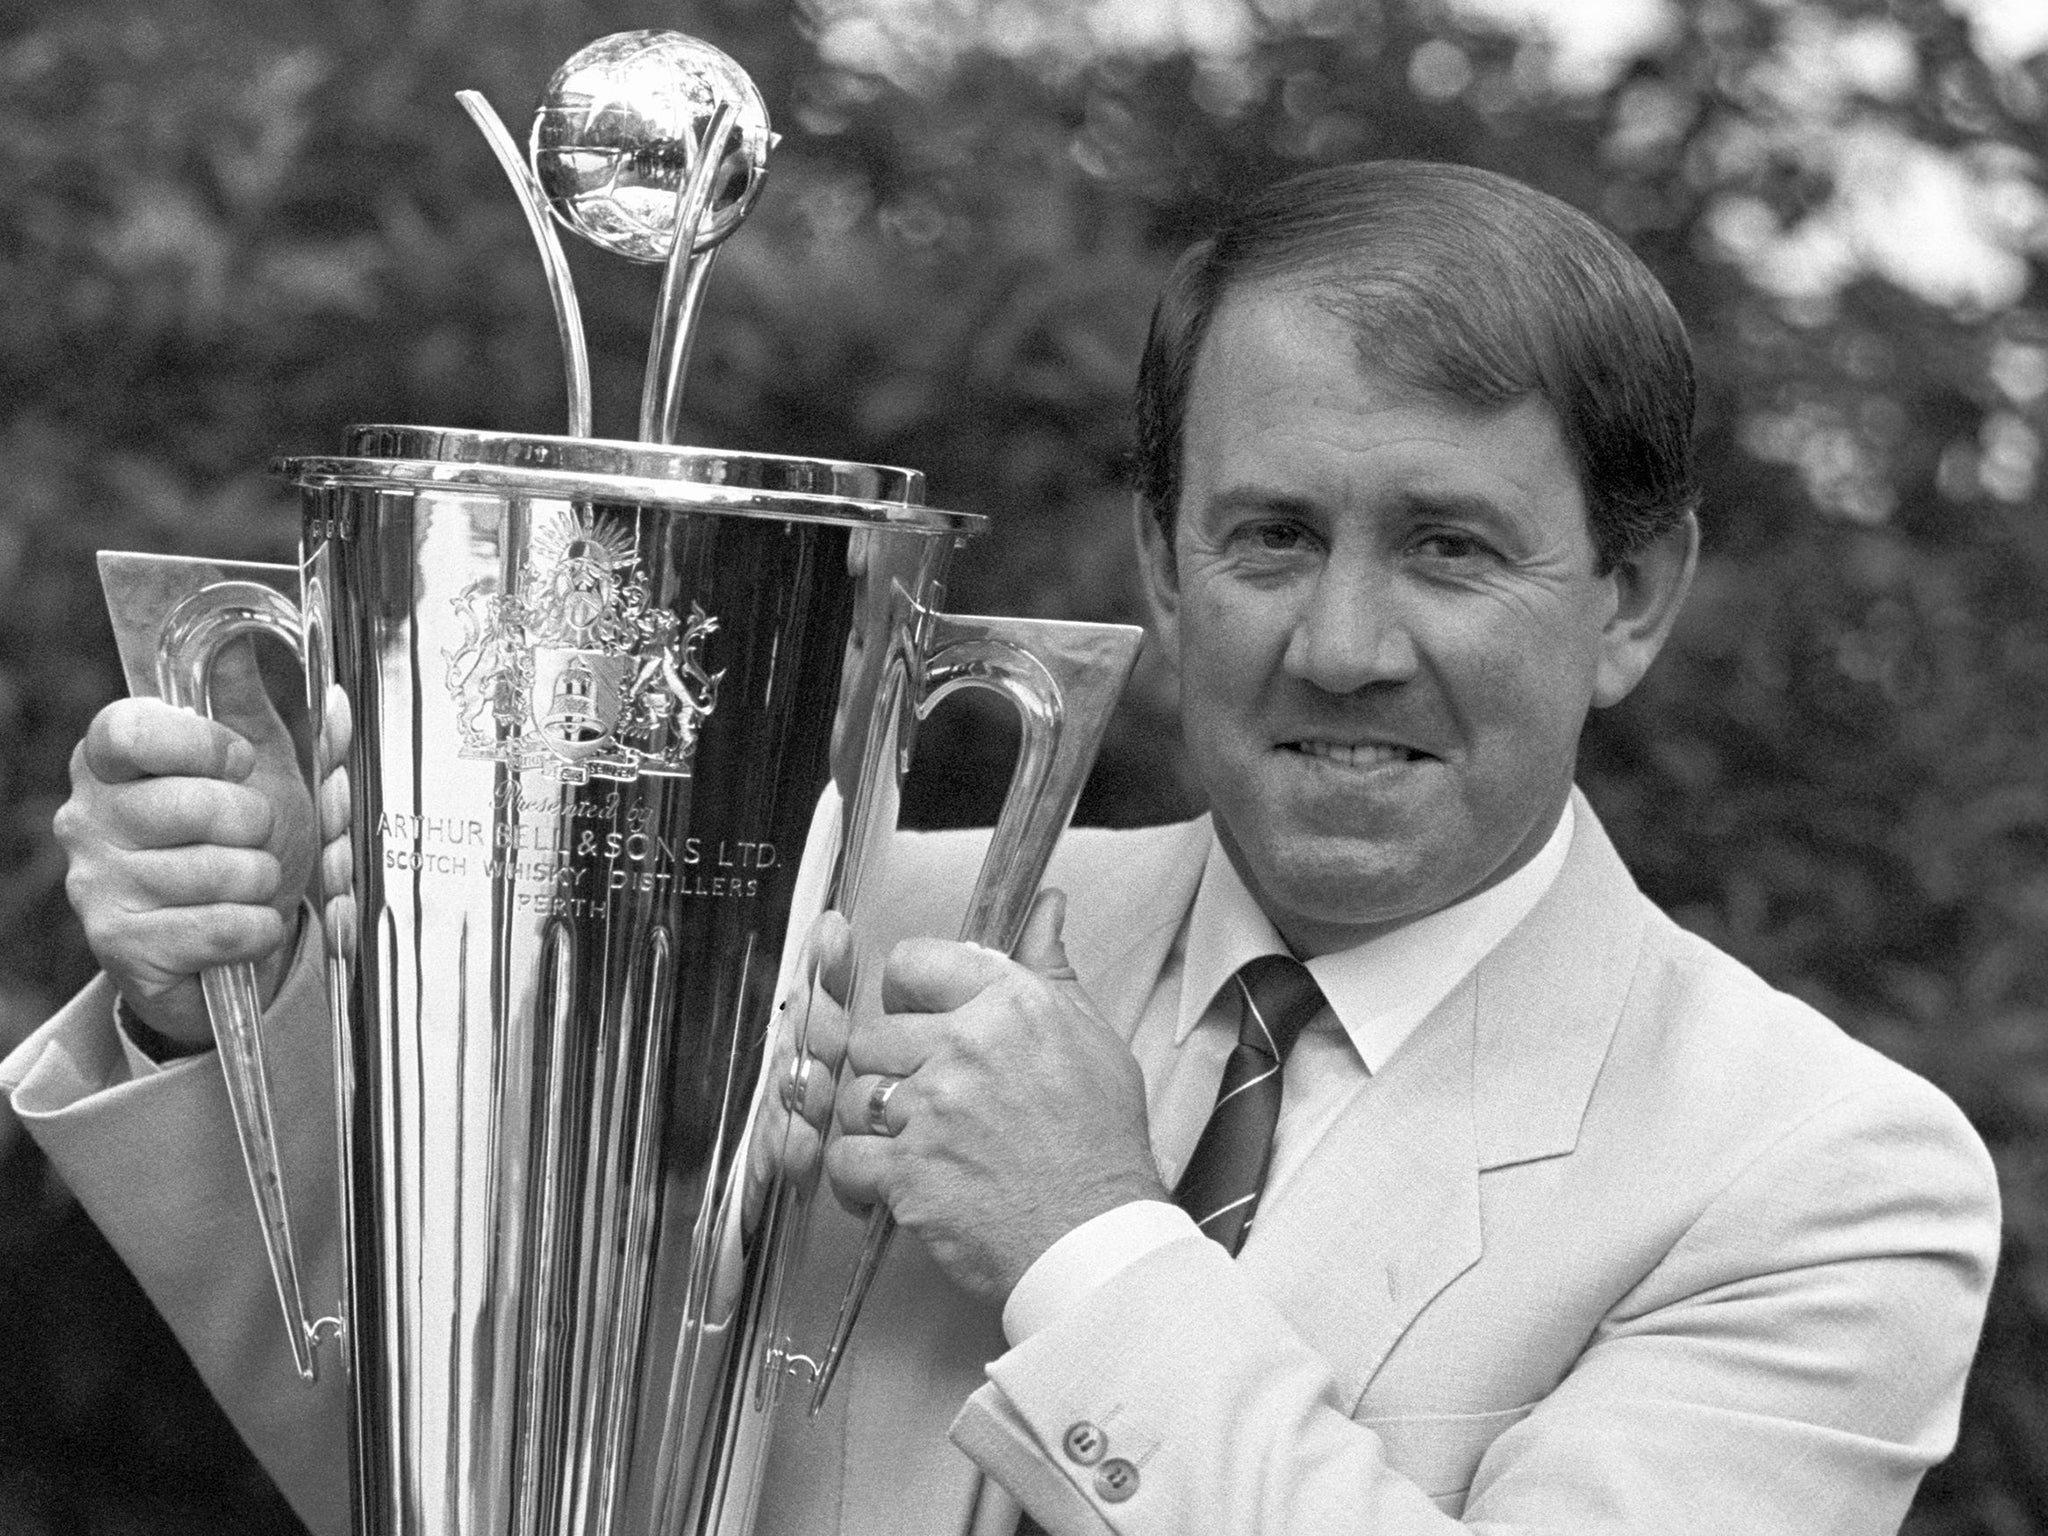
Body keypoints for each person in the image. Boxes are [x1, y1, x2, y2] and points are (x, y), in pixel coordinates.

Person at [3, 161, 2000, 1536]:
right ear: (1156, 561)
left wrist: (1091, 1238)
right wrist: (209, 1007)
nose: (1343, 644)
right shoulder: (852, 911)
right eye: (1270, 535)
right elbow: (458, 1453)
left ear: (1633, 599)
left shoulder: (1819, 1172)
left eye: (1453, 547)